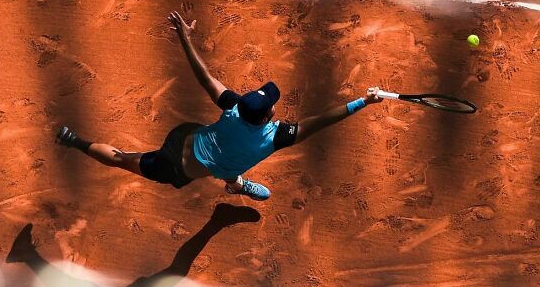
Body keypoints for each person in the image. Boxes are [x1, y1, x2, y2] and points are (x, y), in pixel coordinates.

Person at [56, 11, 383, 201]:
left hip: (184, 139)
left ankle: (74, 141)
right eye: (271, 104)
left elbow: (205, 77)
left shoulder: (235, 108)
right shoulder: (278, 136)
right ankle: (235, 183)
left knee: (125, 160)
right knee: (124, 160)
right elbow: (323, 120)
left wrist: (184, 37)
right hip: (175, 166)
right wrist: (363, 102)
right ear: (268, 115)